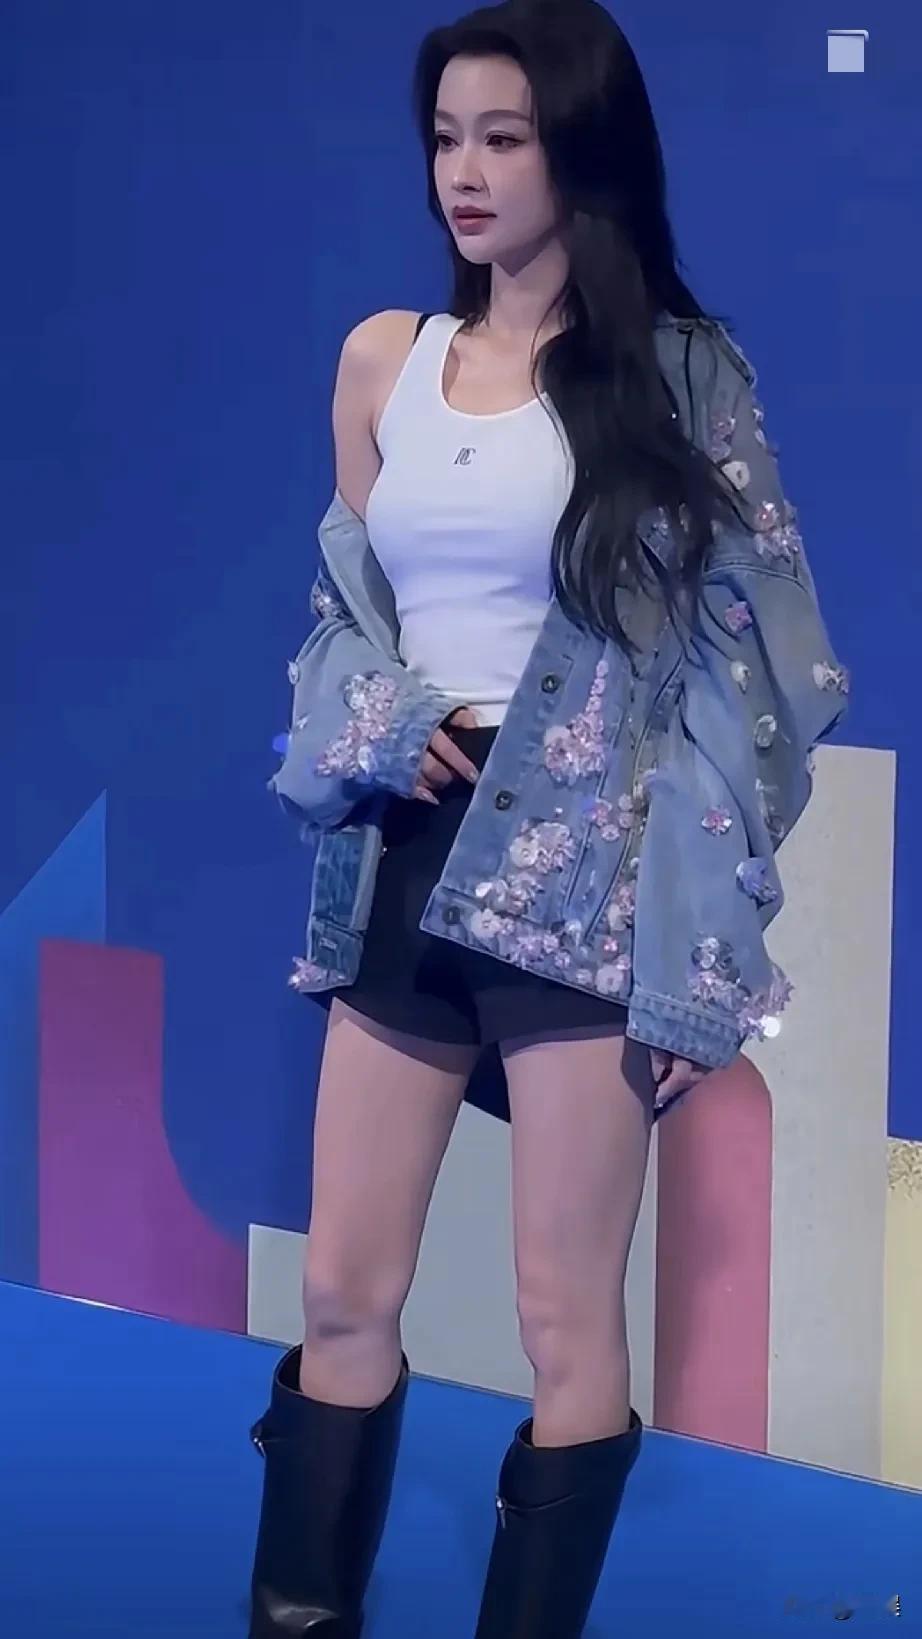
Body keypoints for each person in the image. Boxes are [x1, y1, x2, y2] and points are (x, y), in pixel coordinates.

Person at [248, 2, 848, 1635]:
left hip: (589, 891)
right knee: (339, 1289)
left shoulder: (679, 376)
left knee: (562, 1319)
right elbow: (341, 621)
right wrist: (382, 719)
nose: (463, 171)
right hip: (403, 860)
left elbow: (761, 668)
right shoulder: (385, 359)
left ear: (579, 153)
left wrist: (696, 947)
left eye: (502, 138)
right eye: (445, 138)